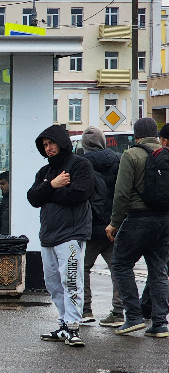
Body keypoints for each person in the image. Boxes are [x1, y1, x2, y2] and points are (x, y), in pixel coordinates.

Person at [27, 124, 94, 347]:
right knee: (53, 283)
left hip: (72, 233)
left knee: (72, 280)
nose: (48, 148)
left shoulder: (81, 165)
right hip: (48, 234)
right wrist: (53, 185)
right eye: (45, 145)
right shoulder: (45, 172)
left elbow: (80, 193)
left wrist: (48, 192)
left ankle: (74, 326)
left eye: (51, 143)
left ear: (61, 141)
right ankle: (64, 322)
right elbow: (33, 198)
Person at [106, 117, 169, 338]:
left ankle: (133, 317)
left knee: (121, 264)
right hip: (163, 220)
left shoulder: (131, 154)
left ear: (136, 135)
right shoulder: (165, 154)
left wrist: (114, 223)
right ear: (156, 134)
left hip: (138, 219)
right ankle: (160, 323)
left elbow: (121, 193)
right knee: (158, 269)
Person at [78, 127, 123, 326]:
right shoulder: (119, 160)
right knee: (118, 269)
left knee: (83, 268)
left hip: (90, 226)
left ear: (84, 145)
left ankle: (85, 309)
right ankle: (118, 312)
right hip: (114, 226)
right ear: (103, 142)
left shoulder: (81, 164)